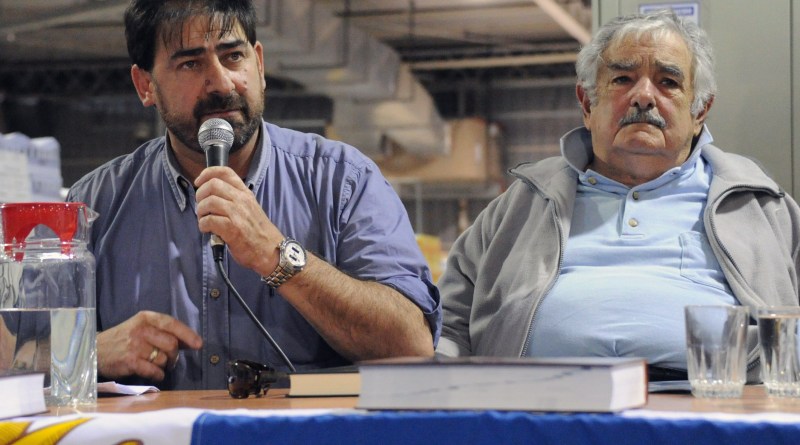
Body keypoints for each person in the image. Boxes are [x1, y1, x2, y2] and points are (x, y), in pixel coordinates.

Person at [67, 0, 440, 390]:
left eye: (233, 57)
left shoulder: (344, 181)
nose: (222, 83)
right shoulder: (94, 205)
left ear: (258, 64)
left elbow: (412, 346)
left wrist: (278, 256)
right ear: (145, 86)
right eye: (191, 64)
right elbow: (25, 351)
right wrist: (86, 352)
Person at [435, 10, 800, 382]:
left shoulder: (760, 206)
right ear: (587, 104)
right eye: (623, 79)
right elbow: (448, 323)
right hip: (538, 399)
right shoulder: (524, 203)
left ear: (699, 111)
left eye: (668, 82)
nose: (643, 97)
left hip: (716, 401)